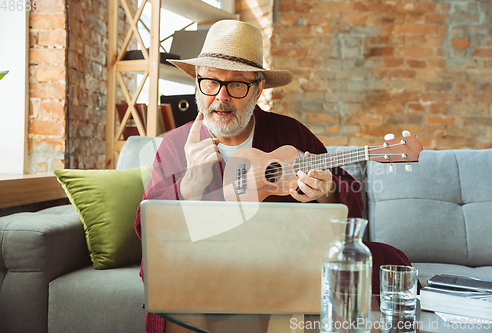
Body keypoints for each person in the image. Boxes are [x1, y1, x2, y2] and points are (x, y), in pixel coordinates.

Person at [135, 20, 416, 333]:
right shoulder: (175, 144)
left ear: (258, 89)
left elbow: (347, 201)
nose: (221, 97)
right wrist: (188, 187)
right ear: (197, 83)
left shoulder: (290, 134)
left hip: (280, 270)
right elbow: (147, 229)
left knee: (386, 259)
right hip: (206, 270)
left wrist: (326, 192)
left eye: (237, 85)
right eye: (211, 82)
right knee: (176, 295)